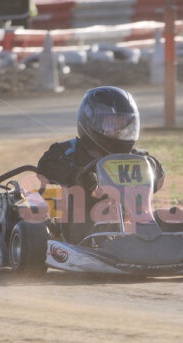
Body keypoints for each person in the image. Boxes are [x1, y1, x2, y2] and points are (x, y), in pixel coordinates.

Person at [37, 86, 165, 242]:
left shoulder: (134, 157)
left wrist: (151, 168)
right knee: (80, 221)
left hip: (127, 217)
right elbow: (47, 166)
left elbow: (157, 175)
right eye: (111, 124)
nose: (118, 130)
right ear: (91, 122)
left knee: (174, 218)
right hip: (76, 216)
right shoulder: (67, 151)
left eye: (123, 125)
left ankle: (157, 239)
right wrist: (78, 175)